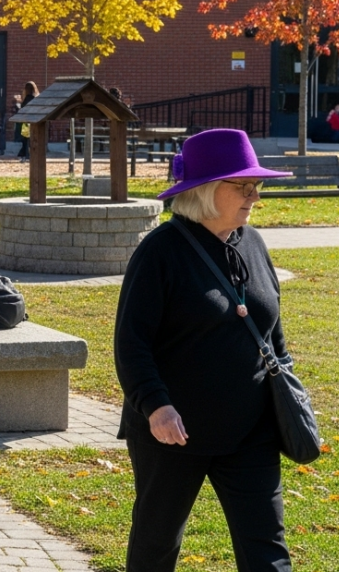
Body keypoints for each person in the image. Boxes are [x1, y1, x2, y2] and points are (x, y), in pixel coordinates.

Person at [114, 128, 295, 572]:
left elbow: (272, 330)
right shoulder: (161, 251)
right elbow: (131, 341)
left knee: (267, 548)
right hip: (174, 431)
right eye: (244, 186)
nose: (255, 196)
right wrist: (155, 407)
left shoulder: (253, 243)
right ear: (207, 190)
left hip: (252, 429)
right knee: (156, 546)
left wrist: (287, 388)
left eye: (258, 186)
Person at [16, 81, 39, 161]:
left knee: (25, 139)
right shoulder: (36, 97)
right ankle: (25, 154)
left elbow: (22, 108)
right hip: (34, 121)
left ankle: (25, 155)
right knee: (30, 139)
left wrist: (18, 103)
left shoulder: (28, 98)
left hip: (26, 122)